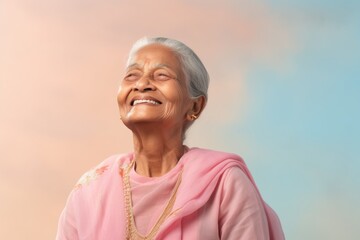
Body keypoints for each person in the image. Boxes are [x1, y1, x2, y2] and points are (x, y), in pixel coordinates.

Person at [56, 37, 285, 240]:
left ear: (195, 105)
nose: (142, 84)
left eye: (161, 75)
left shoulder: (225, 184)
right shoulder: (89, 191)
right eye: (132, 75)